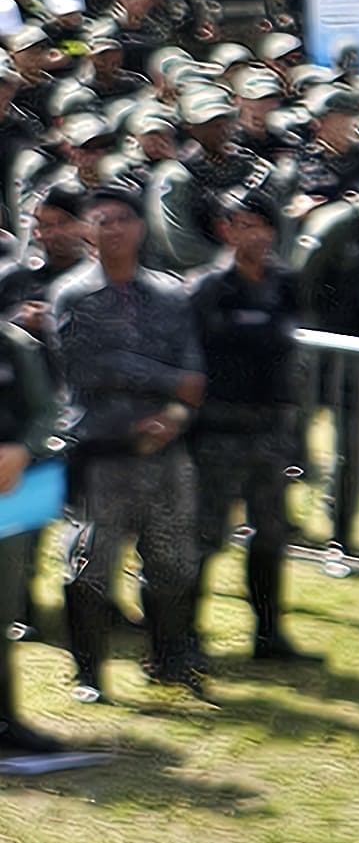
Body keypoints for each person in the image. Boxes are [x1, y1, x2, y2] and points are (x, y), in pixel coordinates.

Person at [44, 193, 206, 698]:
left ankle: (168, 660)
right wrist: (160, 379)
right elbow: (87, 367)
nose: (112, 230)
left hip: (164, 449)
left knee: (173, 563)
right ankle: (88, 673)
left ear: (140, 228)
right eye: (101, 221)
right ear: (88, 231)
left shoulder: (171, 296)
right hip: (102, 451)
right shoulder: (74, 294)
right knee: (91, 564)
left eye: (122, 220)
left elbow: (194, 377)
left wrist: (174, 415)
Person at [184, 187, 307, 663]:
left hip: (271, 427)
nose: (250, 235)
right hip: (217, 429)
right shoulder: (206, 287)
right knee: (205, 536)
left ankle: (270, 634)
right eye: (239, 225)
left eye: (258, 225)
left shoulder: (285, 283)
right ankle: (186, 635)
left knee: (271, 534)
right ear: (223, 230)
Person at [0, 313, 62, 753]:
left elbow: (46, 411)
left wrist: (23, 450)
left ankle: (4, 720)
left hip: (6, 495)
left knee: (2, 610)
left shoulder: (14, 345)